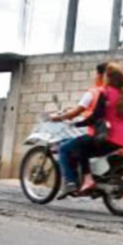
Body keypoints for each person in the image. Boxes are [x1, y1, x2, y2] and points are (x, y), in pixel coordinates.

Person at [74, 62, 123, 195]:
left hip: (114, 139)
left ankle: (88, 179)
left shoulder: (106, 93)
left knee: (80, 145)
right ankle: (106, 180)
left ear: (108, 78)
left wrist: (77, 124)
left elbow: (96, 116)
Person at [49, 63, 107, 198]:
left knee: (64, 148)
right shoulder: (117, 93)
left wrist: (58, 117)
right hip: (111, 134)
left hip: (95, 132)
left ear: (99, 75)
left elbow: (77, 112)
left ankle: (71, 182)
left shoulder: (94, 93)